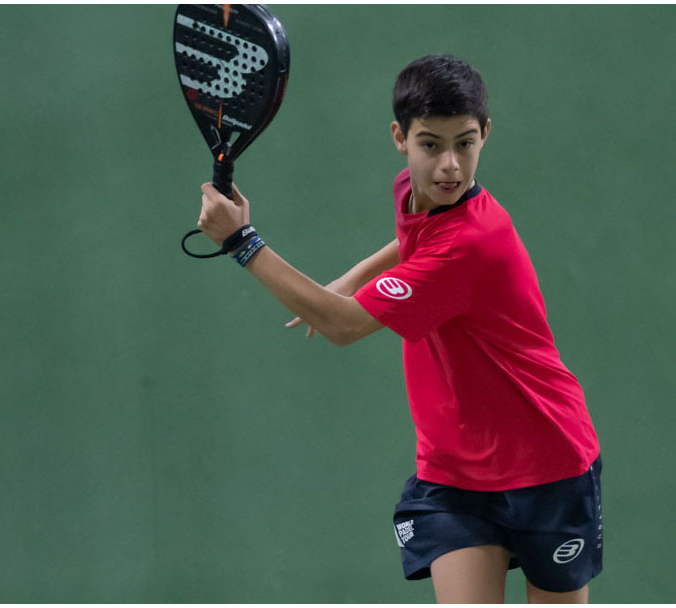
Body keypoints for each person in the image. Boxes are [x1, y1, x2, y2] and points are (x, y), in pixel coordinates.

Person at [196, 54, 602, 604]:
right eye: (431, 145)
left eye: (465, 143)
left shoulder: (472, 244)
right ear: (400, 138)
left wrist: (241, 242)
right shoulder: (418, 193)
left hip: (546, 461)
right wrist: (356, 275)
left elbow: (342, 326)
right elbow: (414, 240)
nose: (449, 166)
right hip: (454, 471)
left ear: (485, 133)